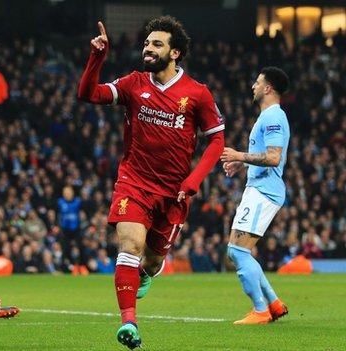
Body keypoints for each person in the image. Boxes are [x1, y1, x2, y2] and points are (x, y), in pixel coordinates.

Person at [77, 16, 225, 349]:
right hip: (134, 183)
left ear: (175, 53)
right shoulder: (133, 83)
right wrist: (96, 57)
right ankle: (129, 324)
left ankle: (145, 274)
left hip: (174, 191)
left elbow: (216, 140)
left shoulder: (197, 94)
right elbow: (88, 94)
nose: (148, 48)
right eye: (146, 43)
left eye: (156, 44)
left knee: (154, 259)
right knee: (129, 246)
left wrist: (194, 180)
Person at [220, 66, 290, 325]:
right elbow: (266, 155)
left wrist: (239, 155)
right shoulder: (268, 116)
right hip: (259, 189)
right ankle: (273, 303)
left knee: (237, 252)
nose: (253, 86)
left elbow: (273, 157)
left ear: (268, 88)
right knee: (239, 251)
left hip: (264, 191)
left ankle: (260, 310)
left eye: (258, 82)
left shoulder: (272, 117)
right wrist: (243, 164)